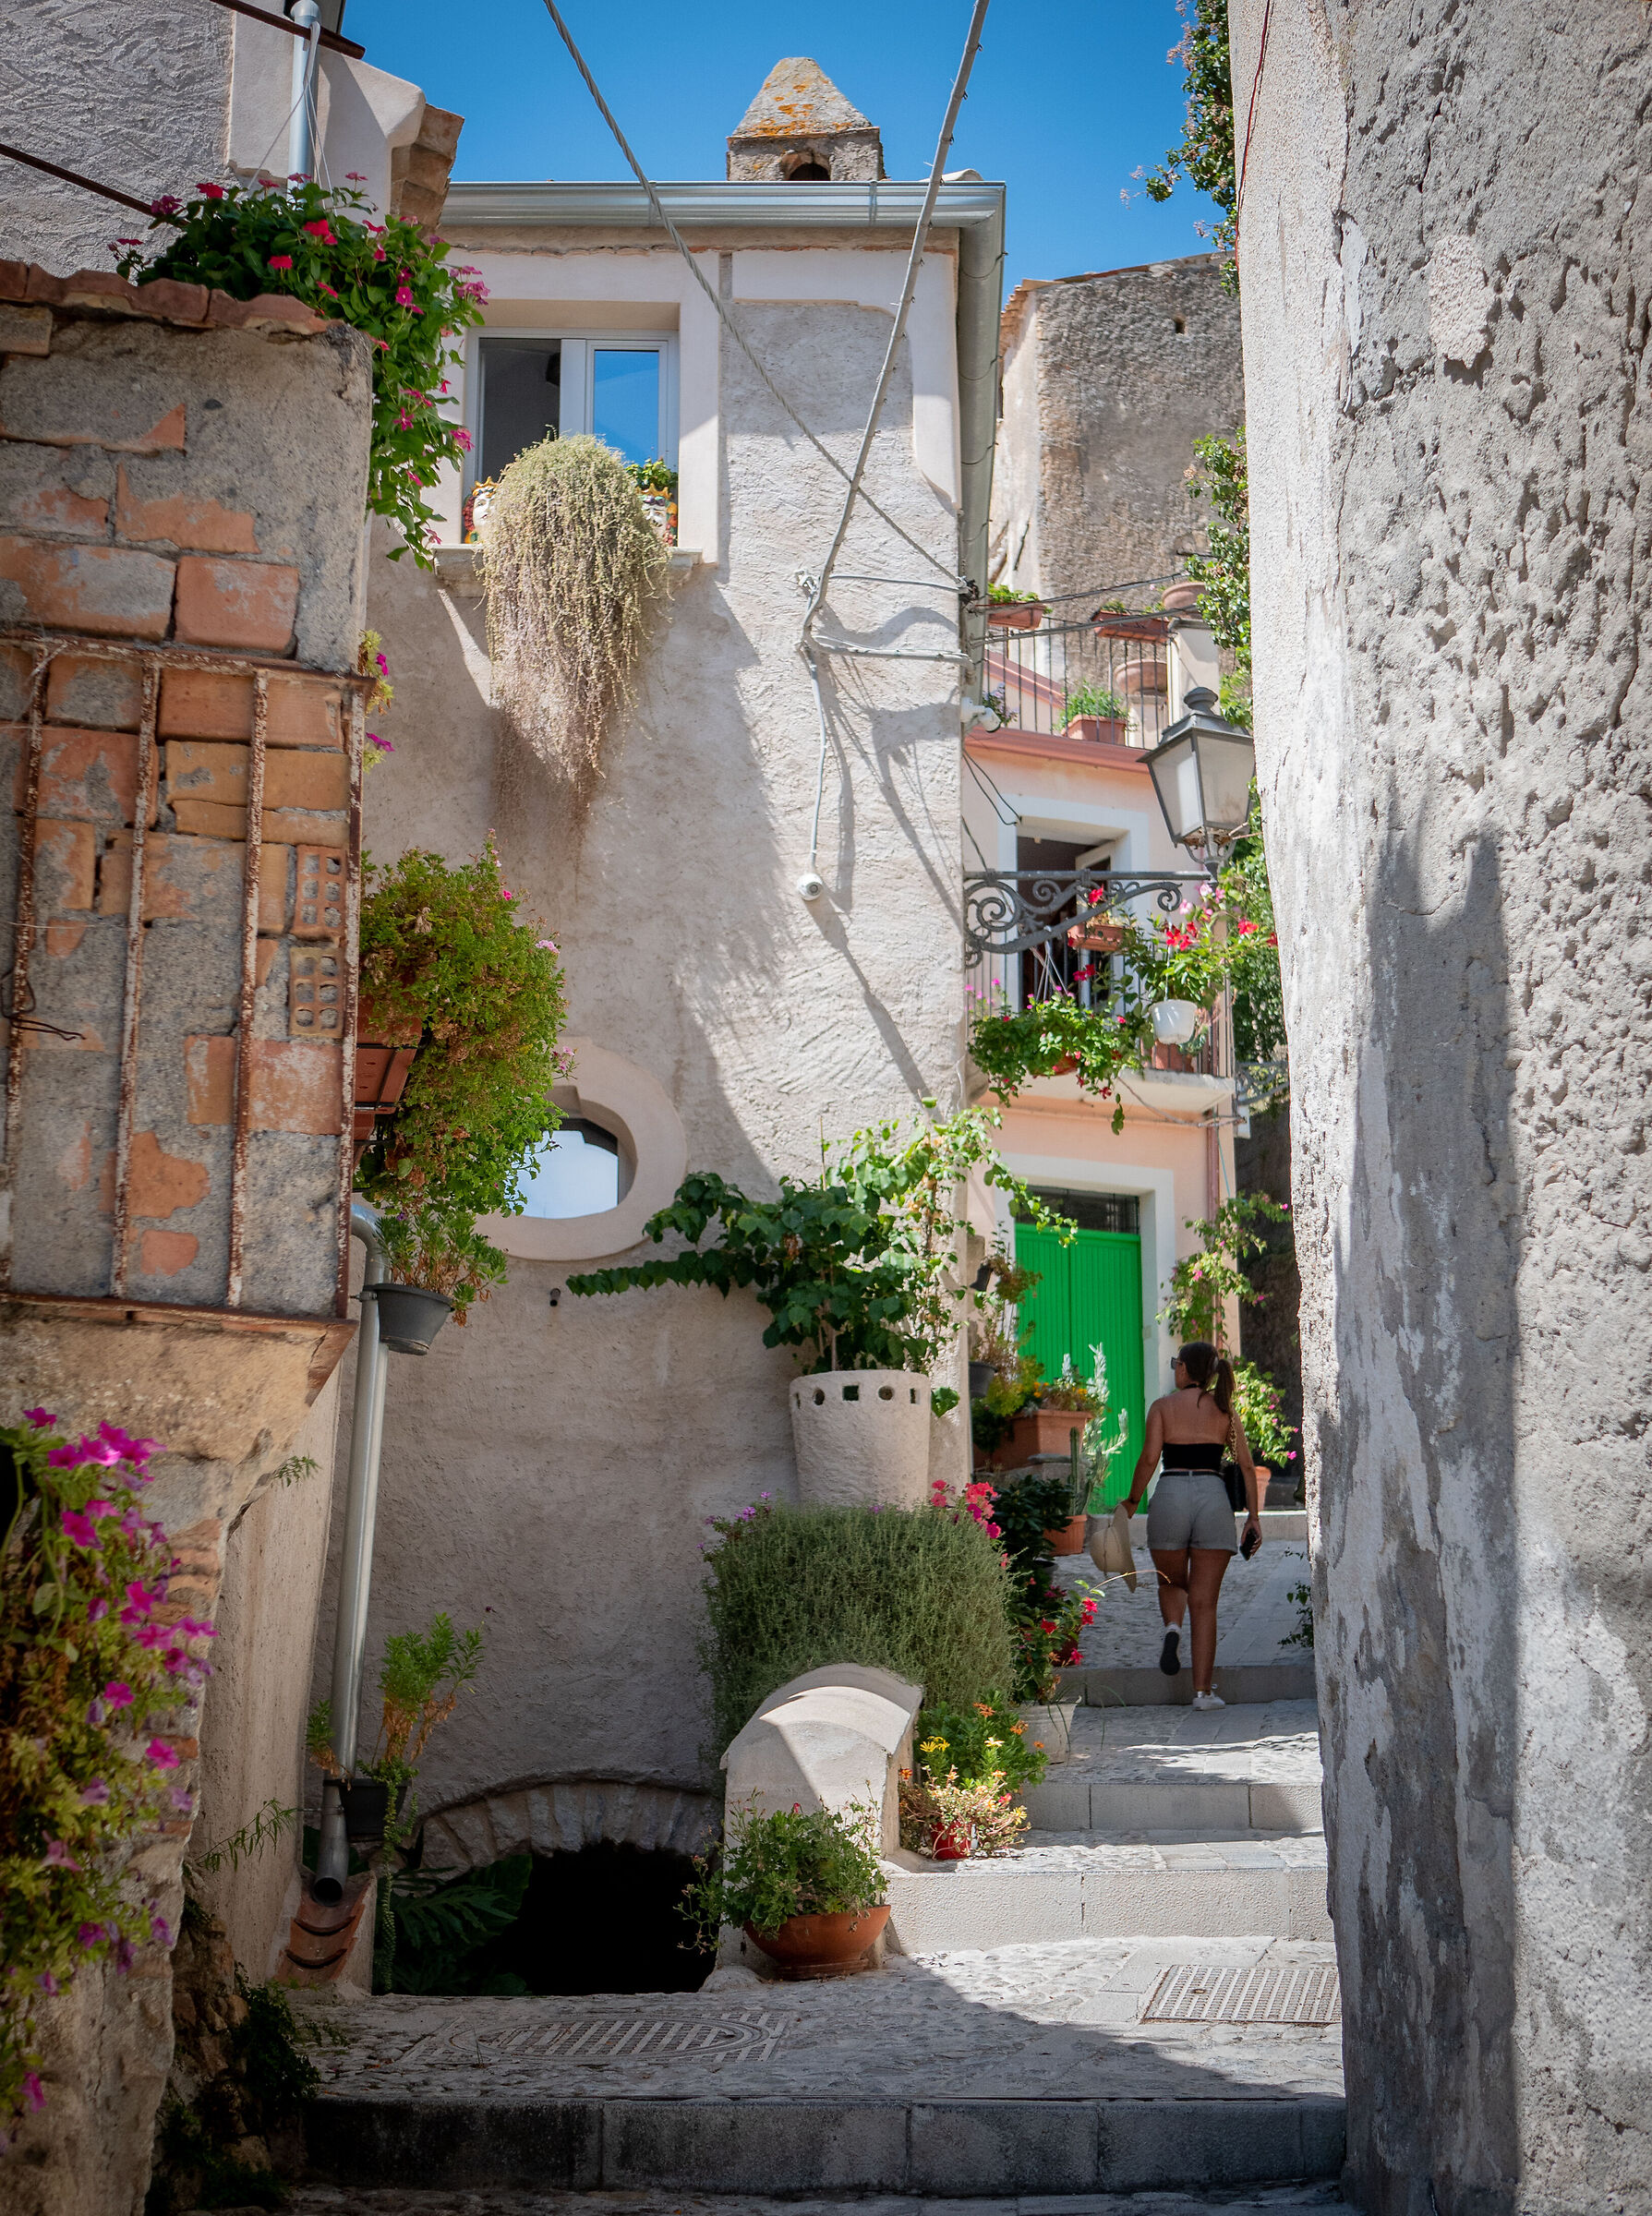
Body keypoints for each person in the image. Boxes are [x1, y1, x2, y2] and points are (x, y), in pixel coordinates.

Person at [1120, 1341, 1261, 1710]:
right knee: (1204, 1603)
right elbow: (1246, 1465)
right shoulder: (1224, 1410)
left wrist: (1133, 1501)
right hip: (1212, 1496)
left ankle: (1172, 1630)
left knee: (1172, 1583)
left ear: (1183, 1369)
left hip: (1170, 1495)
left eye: (1174, 1363)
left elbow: (1150, 1458)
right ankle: (1202, 1694)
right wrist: (1254, 1518)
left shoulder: (1163, 1407)